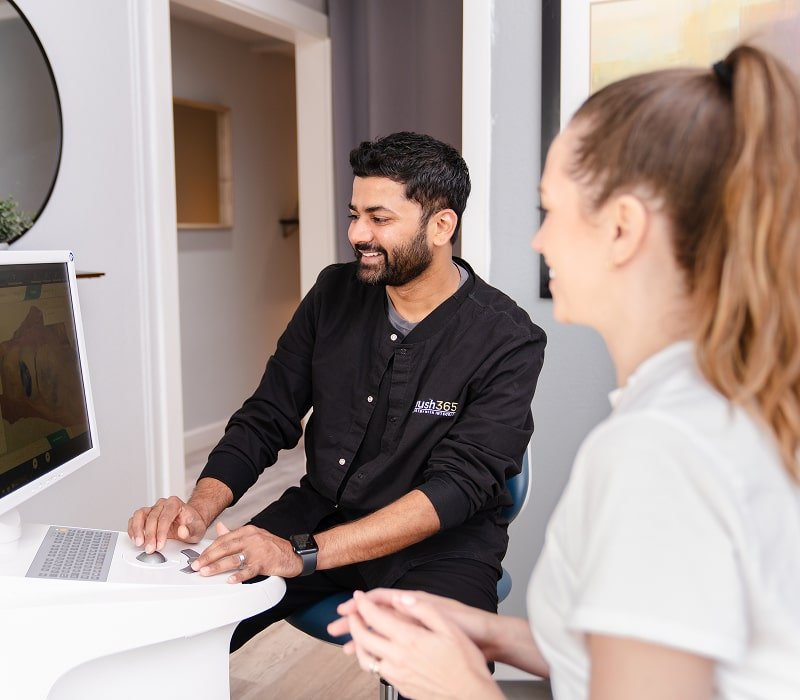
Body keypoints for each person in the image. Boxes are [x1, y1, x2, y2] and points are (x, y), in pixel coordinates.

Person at [331, 44, 800, 699]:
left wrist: (460, 686)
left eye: (548, 211)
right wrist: (488, 632)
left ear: (622, 229)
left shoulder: (661, 450)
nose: (538, 241)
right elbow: (656, 654)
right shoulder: (711, 408)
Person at [128, 132, 546, 654]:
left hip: (440, 546)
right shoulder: (333, 292)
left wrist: (300, 553)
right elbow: (266, 416)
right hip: (320, 512)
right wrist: (199, 508)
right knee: (178, 630)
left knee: (440, 667)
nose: (357, 234)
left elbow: (457, 488)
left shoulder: (508, 338)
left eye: (379, 218)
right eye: (354, 215)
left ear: (442, 226)